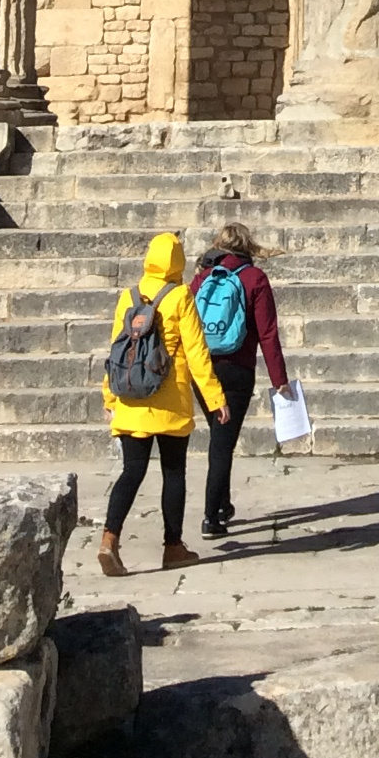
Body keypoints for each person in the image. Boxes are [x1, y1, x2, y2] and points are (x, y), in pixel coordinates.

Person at [98, 231, 224, 578]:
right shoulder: (181, 295)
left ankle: (109, 539)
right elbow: (197, 351)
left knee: (132, 471)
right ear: (178, 262)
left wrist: (110, 396)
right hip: (169, 399)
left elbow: (115, 350)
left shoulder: (129, 296)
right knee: (173, 472)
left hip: (131, 395)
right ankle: (173, 547)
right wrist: (215, 398)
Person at [191, 221, 289, 540]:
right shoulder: (254, 278)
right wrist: (279, 380)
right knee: (223, 443)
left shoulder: (201, 278)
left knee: (220, 437)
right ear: (247, 247)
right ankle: (211, 516)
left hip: (203, 370)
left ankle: (222, 504)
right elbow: (268, 333)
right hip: (237, 369)